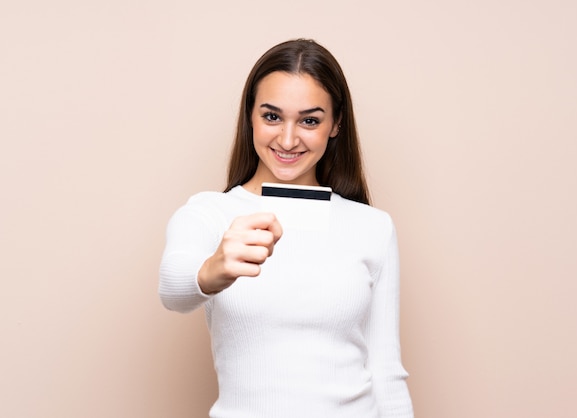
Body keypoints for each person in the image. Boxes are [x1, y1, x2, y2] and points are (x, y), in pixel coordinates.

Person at [159, 39, 414, 417]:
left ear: (336, 124)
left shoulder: (372, 227)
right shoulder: (211, 213)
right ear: (250, 116)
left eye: (309, 120)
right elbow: (173, 289)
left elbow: (386, 372)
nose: (288, 139)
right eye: (272, 117)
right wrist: (213, 270)